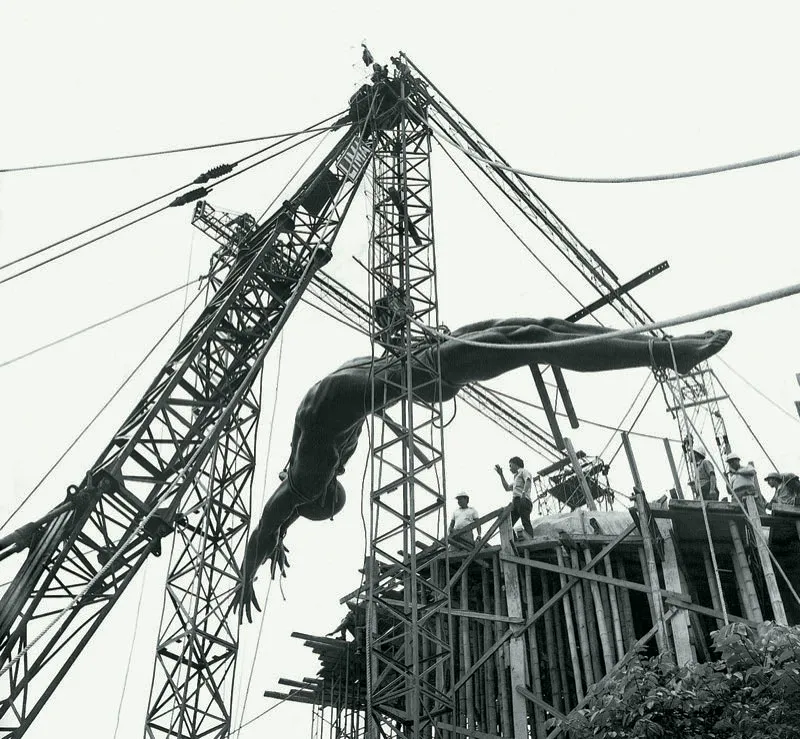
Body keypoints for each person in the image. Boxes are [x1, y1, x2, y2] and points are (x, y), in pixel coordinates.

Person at [236, 316, 731, 621]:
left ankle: (665, 352)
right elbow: (272, 520)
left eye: (332, 484)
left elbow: (273, 517)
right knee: (530, 332)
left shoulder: (306, 479)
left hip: (410, 370)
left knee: (533, 335)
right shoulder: (308, 458)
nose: (340, 471)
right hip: (398, 367)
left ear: (322, 493)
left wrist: (253, 565)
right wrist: (262, 553)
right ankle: (663, 351)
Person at [494, 456, 535, 539]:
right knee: (508, 524)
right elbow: (507, 488)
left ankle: (530, 538)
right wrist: (501, 475)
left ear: (516, 464)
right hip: (515, 502)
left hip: (523, 500)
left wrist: (523, 494)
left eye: (510, 465)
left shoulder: (523, 471)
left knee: (525, 521)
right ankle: (514, 541)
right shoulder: (516, 478)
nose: (509, 468)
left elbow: (528, 481)